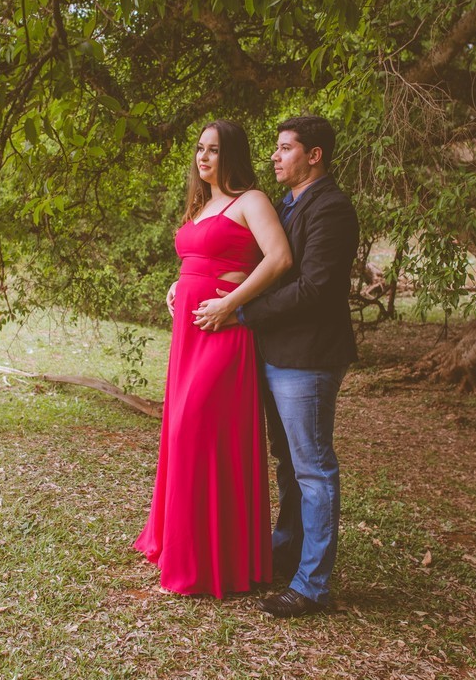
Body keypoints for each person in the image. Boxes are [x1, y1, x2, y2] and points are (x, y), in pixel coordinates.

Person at [193, 115, 359, 617]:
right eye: (275, 148)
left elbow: (313, 288)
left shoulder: (331, 210)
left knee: (313, 468)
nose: (274, 156)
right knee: (287, 462)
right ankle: (285, 550)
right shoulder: (287, 205)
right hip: (271, 352)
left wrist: (240, 311)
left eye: (286, 148)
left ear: (315, 156)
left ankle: (312, 585)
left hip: (307, 356)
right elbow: (257, 263)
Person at [134, 119, 292, 597]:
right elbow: (199, 260)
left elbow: (279, 258)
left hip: (225, 332)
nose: (204, 157)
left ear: (234, 155)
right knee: (180, 432)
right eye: (200, 148)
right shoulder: (201, 205)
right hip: (189, 332)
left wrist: (231, 304)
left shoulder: (252, 201)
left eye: (215, 150)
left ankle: (210, 561)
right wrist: (181, 285)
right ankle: (184, 546)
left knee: (196, 431)